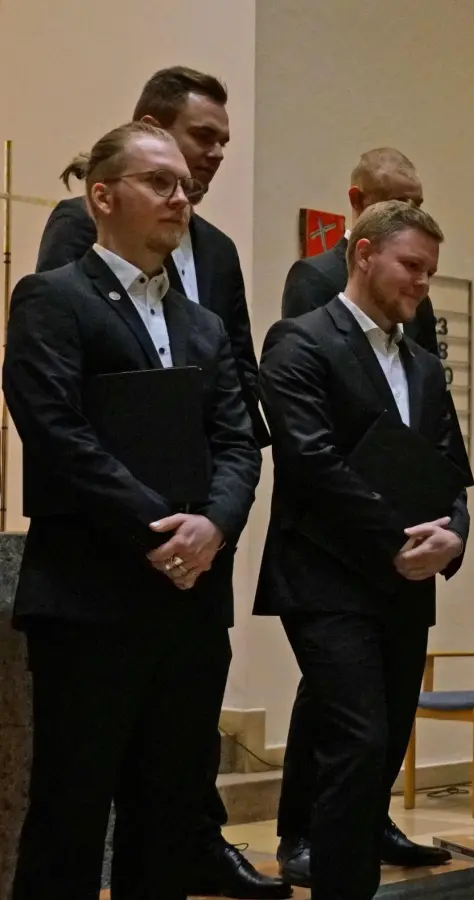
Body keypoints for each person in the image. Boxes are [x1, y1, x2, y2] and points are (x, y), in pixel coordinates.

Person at [37, 68, 280, 898]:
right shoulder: (53, 298)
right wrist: (162, 530)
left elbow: (239, 438)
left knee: (168, 808)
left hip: (190, 597)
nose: (183, 196)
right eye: (161, 181)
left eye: (187, 184)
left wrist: (212, 529)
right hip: (95, 588)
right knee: (72, 807)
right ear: (102, 197)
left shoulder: (203, 320)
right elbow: (60, 434)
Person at [255, 201, 471, 897]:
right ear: (363, 253)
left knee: (379, 752)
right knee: (357, 741)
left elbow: (450, 468)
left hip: (407, 583)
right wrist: (396, 540)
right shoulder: (299, 341)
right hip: (326, 577)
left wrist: (455, 534)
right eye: (412, 266)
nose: (422, 284)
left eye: (431, 272)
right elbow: (311, 461)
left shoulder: (425, 365)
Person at [279, 147, 440, 354]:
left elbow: (431, 377)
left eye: (416, 206)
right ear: (357, 199)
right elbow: (304, 363)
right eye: (396, 203)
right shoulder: (314, 277)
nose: (408, 216)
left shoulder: (417, 295)